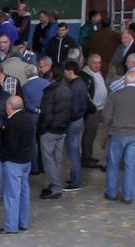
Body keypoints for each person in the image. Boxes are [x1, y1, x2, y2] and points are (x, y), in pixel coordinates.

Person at [101, 70, 135, 202]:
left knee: (113, 163)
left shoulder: (115, 96)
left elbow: (106, 116)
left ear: (124, 81)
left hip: (117, 133)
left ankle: (111, 193)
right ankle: (128, 195)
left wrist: (108, 129)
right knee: (131, 165)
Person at [0, 96, 36, 234]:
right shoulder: (28, 119)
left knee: (11, 195)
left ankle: (10, 226)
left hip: (13, 162)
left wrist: (3, 158)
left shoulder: (12, 122)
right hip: (26, 160)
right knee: (24, 193)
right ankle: (23, 222)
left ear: (9, 107)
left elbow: (10, 145)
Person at [37, 64, 74, 200]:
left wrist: (44, 128)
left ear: (52, 74)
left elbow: (46, 113)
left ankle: (55, 186)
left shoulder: (50, 91)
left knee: (49, 160)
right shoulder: (67, 89)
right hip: (62, 129)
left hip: (51, 130)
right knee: (57, 159)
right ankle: (56, 184)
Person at [61, 61, 88, 192]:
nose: (63, 73)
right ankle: (75, 178)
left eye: (65, 71)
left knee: (72, 152)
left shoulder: (74, 87)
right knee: (74, 150)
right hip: (79, 120)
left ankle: (76, 181)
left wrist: (65, 119)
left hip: (73, 122)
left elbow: (73, 108)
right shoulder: (80, 83)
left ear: (70, 71)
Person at [81, 53, 108, 170]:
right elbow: (86, 94)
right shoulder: (86, 75)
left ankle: (89, 155)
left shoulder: (97, 72)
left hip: (99, 108)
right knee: (89, 134)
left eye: (99, 63)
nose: (98, 65)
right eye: (95, 63)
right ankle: (86, 158)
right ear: (89, 63)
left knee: (93, 134)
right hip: (93, 109)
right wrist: (92, 107)